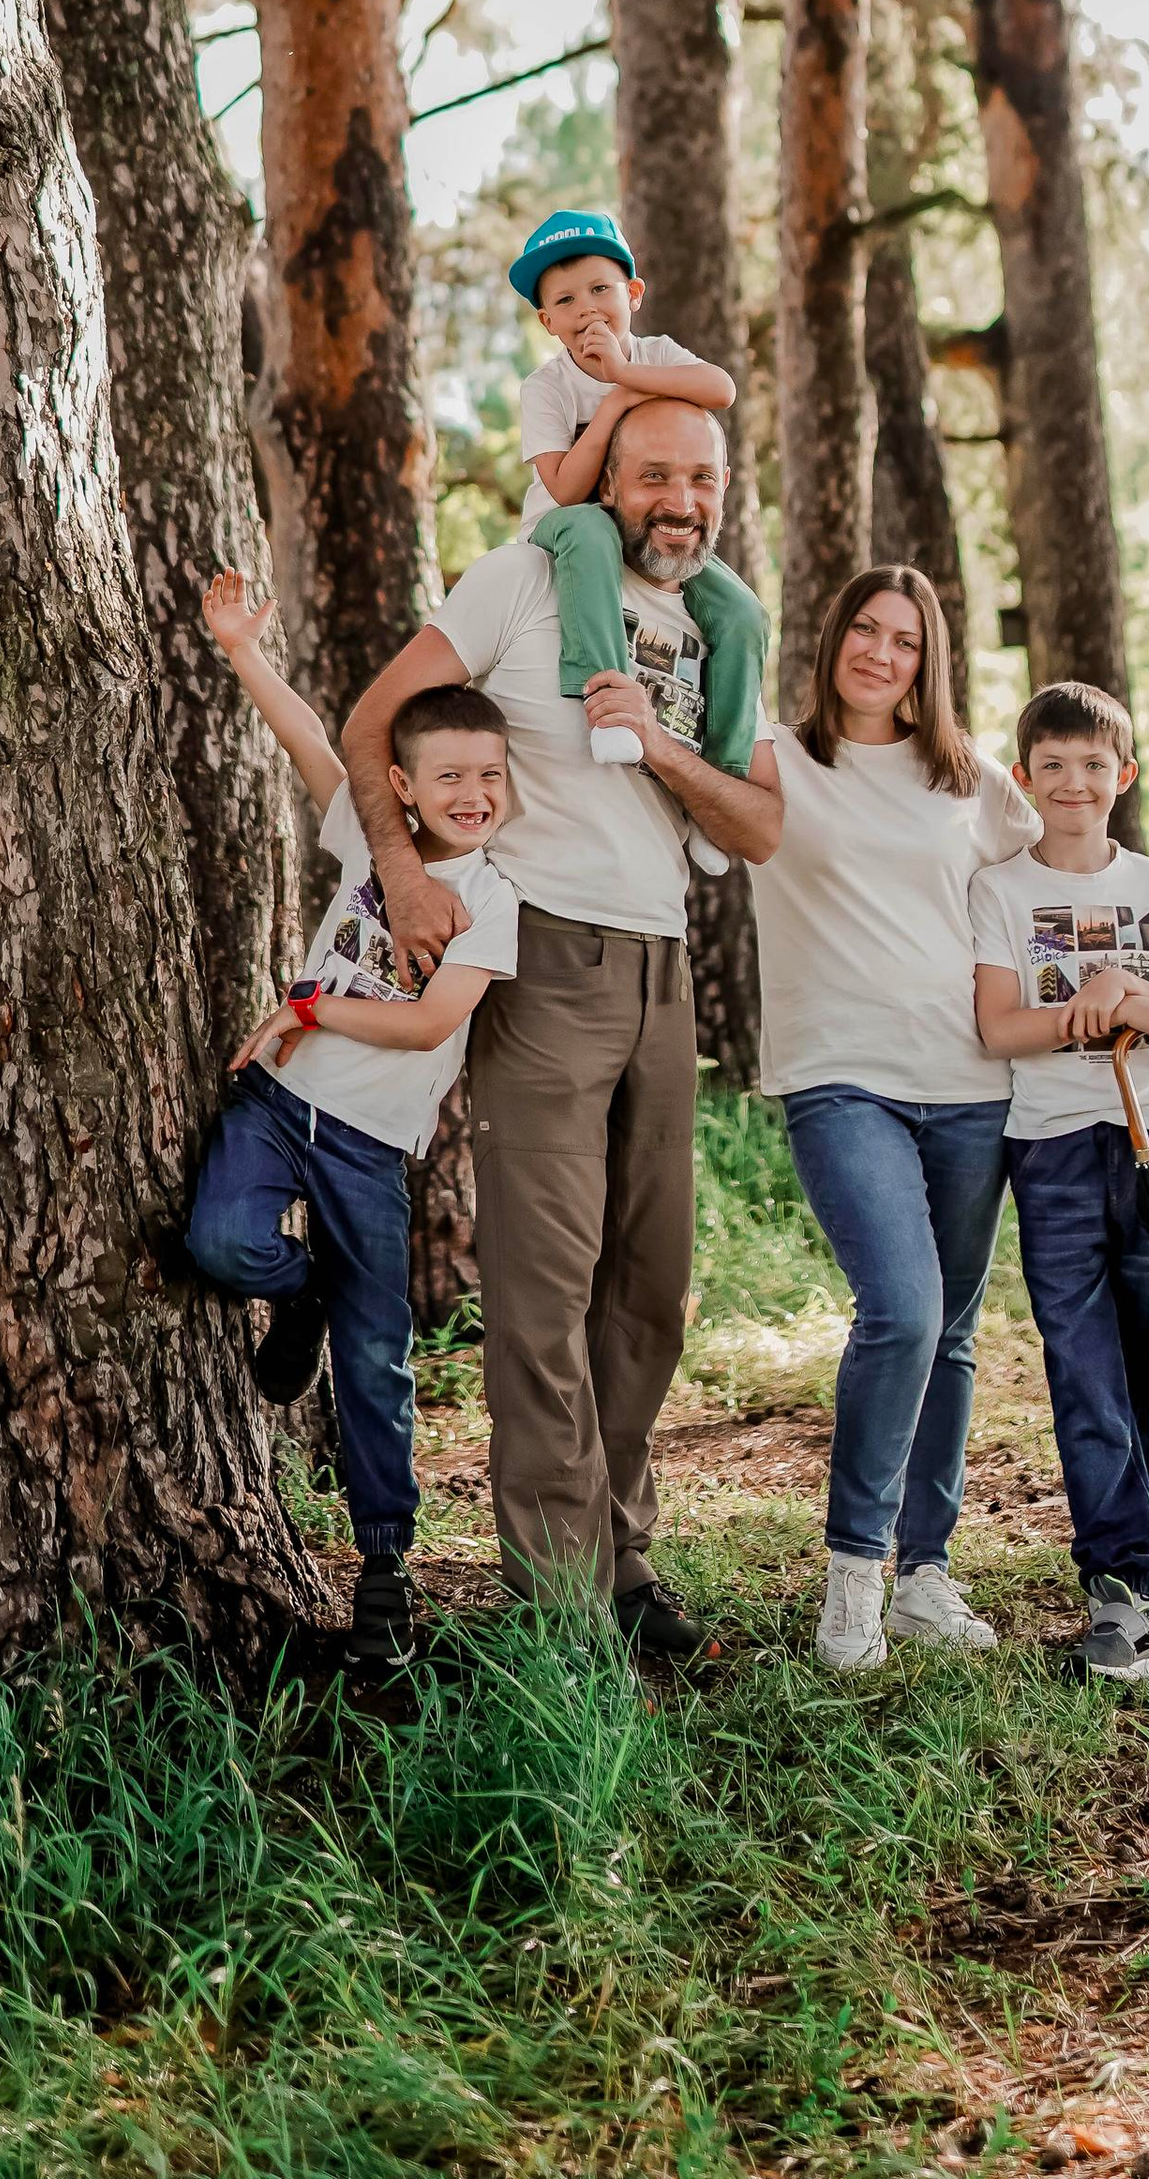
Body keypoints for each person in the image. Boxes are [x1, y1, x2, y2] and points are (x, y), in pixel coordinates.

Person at [342, 398, 778, 1657]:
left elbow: (751, 828)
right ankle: (558, 1605)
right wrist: (404, 873)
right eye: (652, 473)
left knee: (649, 1294)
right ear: (608, 479)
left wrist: (660, 751)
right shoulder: (523, 579)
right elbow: (378, 722)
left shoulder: (716, 624)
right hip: (539, 967)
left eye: (700, 477)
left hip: (661, 970)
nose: (678, 499)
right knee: (545, 1294)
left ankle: (622, 1560)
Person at [179, 572, 521, 1672]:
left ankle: (383, 1570)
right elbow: (313, 748)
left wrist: (316, 1003)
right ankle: (302, 1286)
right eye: (450, 777)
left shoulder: (493, 901)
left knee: (377, 1362)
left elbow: (430, 1027)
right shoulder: (375, 848)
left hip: (372, 1149)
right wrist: (241, 651)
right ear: (403, 789)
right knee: (220, 1243)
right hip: (282, 1107)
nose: (473, 794)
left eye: (491, 777)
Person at [733, 567, 1041, 1675]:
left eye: (904, 641)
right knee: (902, 1311)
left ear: (929, 660)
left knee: (952, 1331)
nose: (880, 653)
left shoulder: (975, 783)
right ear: (833, 641)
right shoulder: (776, 757)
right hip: (838, 1075)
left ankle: (924, 1575)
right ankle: (852, 1581)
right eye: (863, 629)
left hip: (970, 1087)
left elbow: (1050, 891)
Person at [972, 678, 1149, 1687]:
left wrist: (1135, 991)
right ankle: (1116, 1589)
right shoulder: (999, 890)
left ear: (1123, 776)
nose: (1071, 784)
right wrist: (1112, 1001)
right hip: (1052, 1150)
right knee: (1083, 1373)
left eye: (1091, 766)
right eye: (1050, 767)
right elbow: (1000, 1028)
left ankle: (1144, 1579)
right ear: (1024, 777)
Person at [507, 209, 767, 837]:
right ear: (548, 322)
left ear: (633, 295)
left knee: (741, 611)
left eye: (601, 289)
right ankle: (608, 705)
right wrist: (618, 401)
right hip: (568, 530)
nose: (587, 309)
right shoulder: (546, 388)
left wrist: (623, 375)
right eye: (565, 300)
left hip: (643, 533)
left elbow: (722, 387)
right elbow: (568, 490)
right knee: (592, 530)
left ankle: (725, 769)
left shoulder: (653, 355)